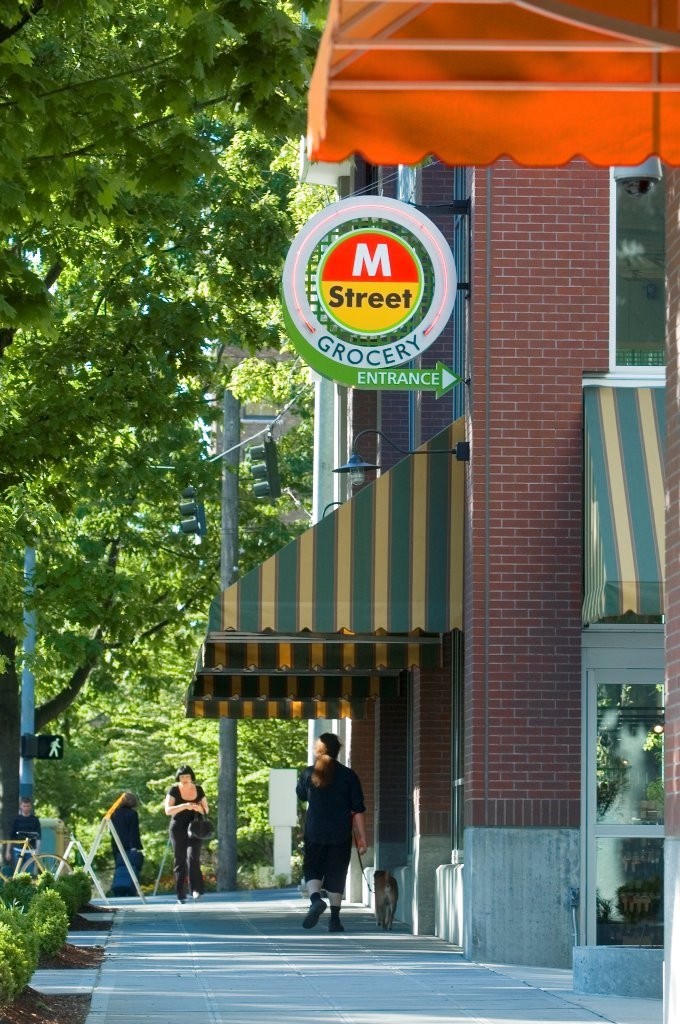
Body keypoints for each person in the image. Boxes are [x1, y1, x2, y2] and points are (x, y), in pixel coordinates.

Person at [296, 732, 367, 933]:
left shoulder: (308, 774)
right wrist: (363, 838)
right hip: (340, 832)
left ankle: (316, 900)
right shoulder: (349, 775)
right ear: (338, 751)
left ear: (317, 751)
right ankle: (335, 920)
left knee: (312, 868)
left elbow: (301, 795)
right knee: (336, 872)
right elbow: (358, 809)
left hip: (315, 830)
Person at [164, 765, 209, 904]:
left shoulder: (199, 789)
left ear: (191, 777)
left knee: (193, 857)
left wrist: (197, 807)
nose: (184, 779)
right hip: (178, 828)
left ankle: (196, 890)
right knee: (180, 860)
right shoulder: (174, 790)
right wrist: (184, 806)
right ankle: (180, 894)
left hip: (195, 828)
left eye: (187, 777)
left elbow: (206, 810)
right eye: (182, 777)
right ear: (178, 778)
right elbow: (168, 810)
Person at [110, 791, 144, 896]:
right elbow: (134, 831)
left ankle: (119, 889)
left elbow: (111, 830)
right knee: (131, 868)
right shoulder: (132, 814)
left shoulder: (113, 813)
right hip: (129, 845)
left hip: (116, 843)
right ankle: (129, 890)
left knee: (119, 868)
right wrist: (135, 846)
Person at [4, 796, 41, 874]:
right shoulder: (16, 820)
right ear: (21, 806)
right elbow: (11, 836)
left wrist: (37, 850)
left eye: (27, 806)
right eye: (24, 806)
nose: (26, 808)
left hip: (31, 850)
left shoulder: (35, 820)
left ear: (30, 806)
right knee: (17, 872)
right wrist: (8, 851)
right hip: (18, 850)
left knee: (29, 873)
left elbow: (38, 836)